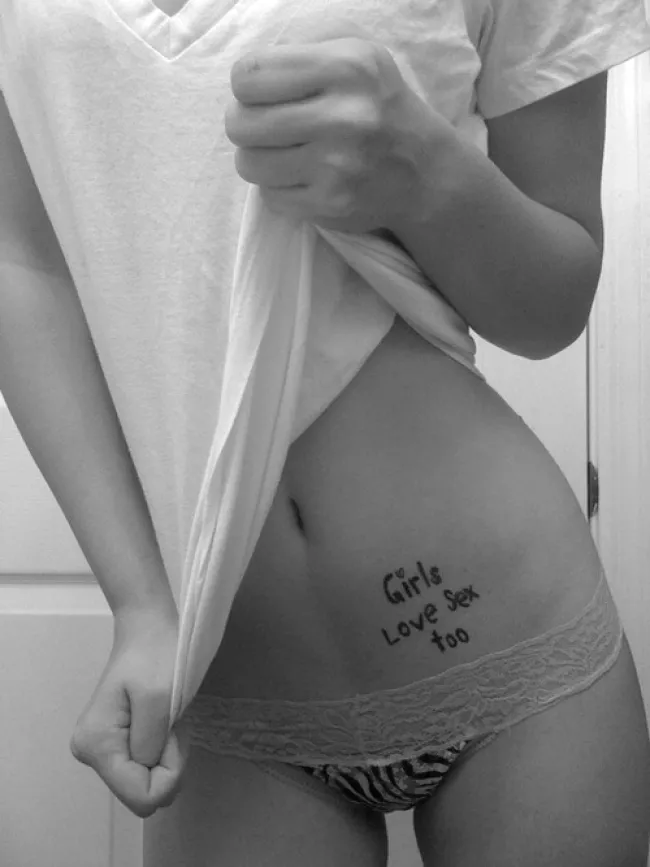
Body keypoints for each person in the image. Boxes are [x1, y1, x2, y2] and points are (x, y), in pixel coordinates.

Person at [1, 0, 650, 865]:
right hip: (233, 678)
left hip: (521, 656)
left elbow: (553, 305)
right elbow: (25, 261)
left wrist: (428, 175)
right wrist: (141, 604)